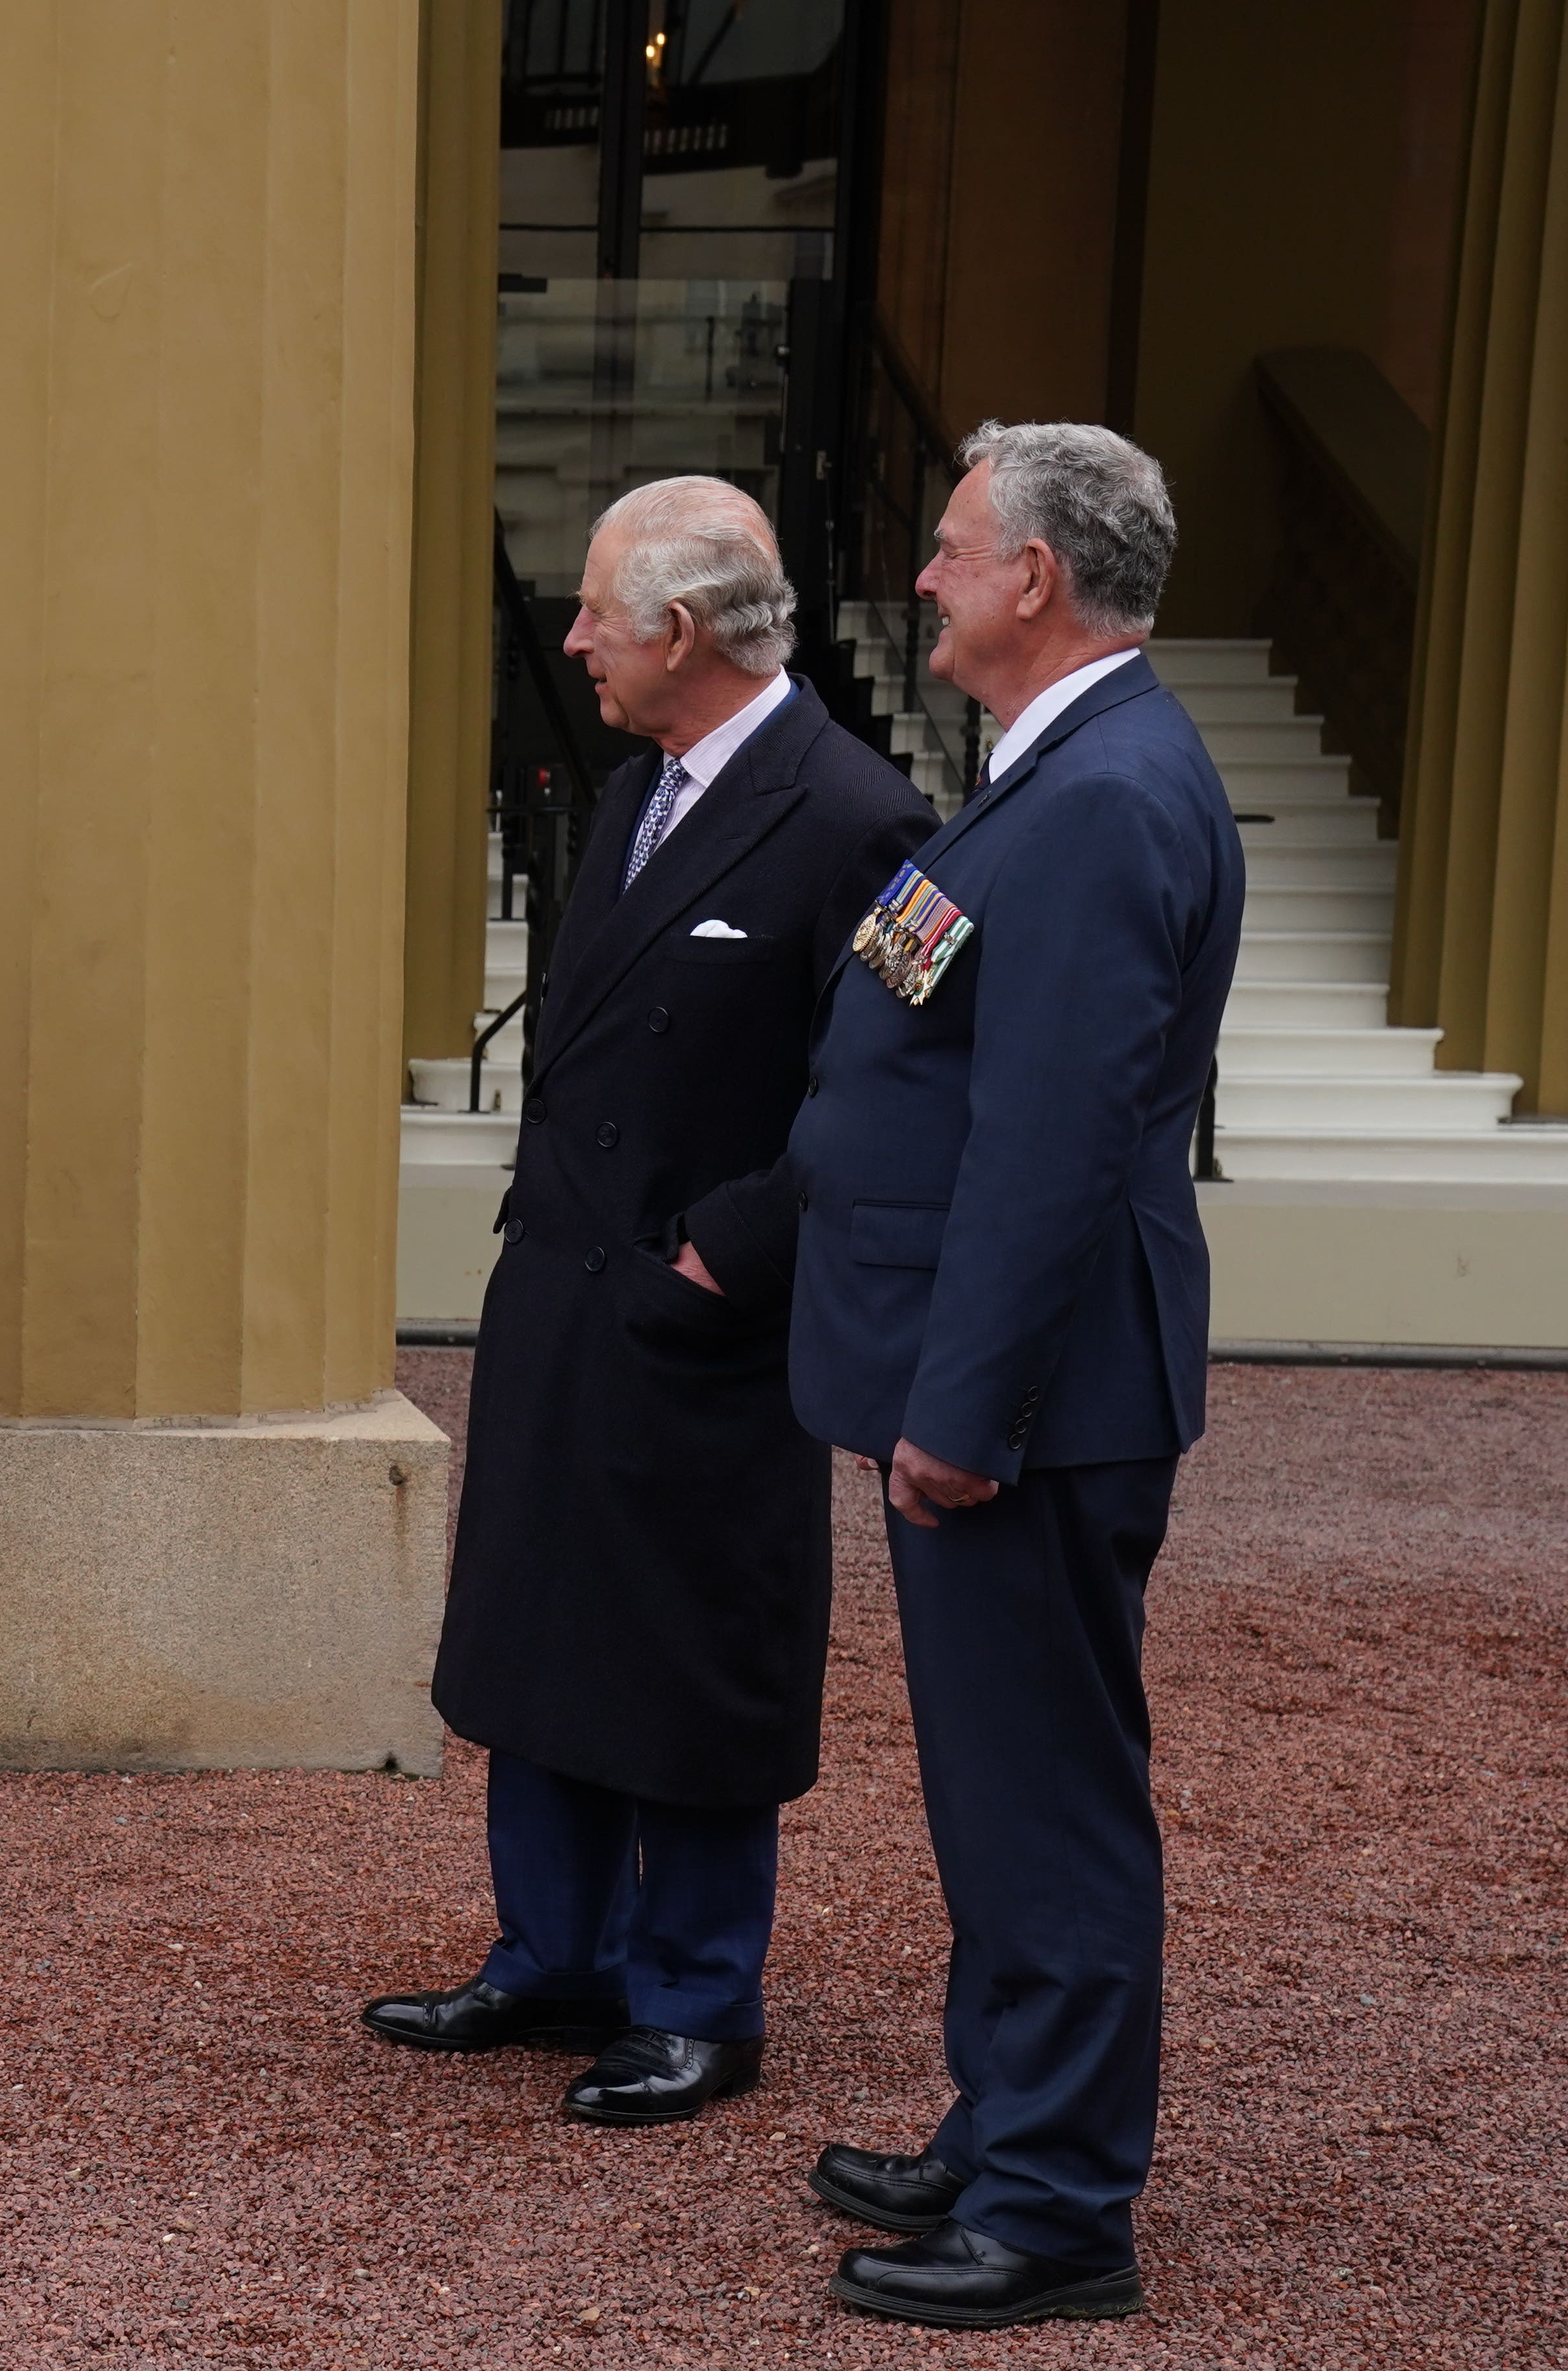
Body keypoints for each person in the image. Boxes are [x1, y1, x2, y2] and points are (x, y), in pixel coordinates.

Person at [370, 479, 933, 2123]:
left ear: (677, 632)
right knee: (543, 1624)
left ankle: (696, 1992)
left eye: (595, 612)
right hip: (563, 1288)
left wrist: (724, 1254)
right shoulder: (635, 790)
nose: (573, 641)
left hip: (707, 1322)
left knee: (690, 1652)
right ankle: (553, 1955)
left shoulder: (859, 816)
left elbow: (888, 1092)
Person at [789, 422, 1240, 2327]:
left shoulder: (1108, 796)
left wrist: (961, 1415)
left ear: (1039, 577)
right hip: (1007, 1381)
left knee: (1045, 1797)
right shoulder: (1062, 772)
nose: (929, 578)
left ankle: (1058, 2202)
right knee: (999, 1787)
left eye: (958, 550)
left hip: (1029, 1404)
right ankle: (1008, 2122)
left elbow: (1055, 1143)